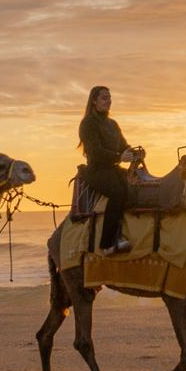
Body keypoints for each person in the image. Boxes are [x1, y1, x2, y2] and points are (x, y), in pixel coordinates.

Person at [78, 86, 139, 256]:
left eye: (110, 98)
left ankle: (125, 232)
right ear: (94, 101)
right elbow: (95, 152)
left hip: (113, 168)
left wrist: (133, 153)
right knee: (117, 192)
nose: (108, 101)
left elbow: (123, 145)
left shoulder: (112, 124)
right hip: (97, 170)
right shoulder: (88, 124)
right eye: (104, 98)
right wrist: (120, 157)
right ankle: (106, 244)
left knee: (136, 187)